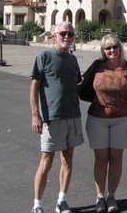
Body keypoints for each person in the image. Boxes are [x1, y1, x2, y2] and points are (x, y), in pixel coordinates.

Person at [29, 22, 83, 213]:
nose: (67, 37)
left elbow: (76, 86)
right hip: (51, 117)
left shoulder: (73, 59)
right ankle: (38, 204)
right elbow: (34, 86)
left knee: (68, 158)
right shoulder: (43, 56)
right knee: (46, 160)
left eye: (70, 34)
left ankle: (62, 200)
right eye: (63, 33)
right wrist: (35, 115)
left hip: (73, 115)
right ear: (54, 36)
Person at [86, 34, 127, 213]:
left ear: (120, 48)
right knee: (101, 158)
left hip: (122, 119)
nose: (111, 51)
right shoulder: (97, 67)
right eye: (107, 48)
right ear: (103, 51)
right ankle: (100, 197)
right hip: (97, 119)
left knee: (116, 158)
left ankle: (111, 196)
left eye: (114, 47)